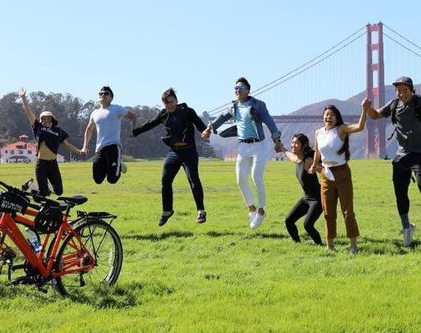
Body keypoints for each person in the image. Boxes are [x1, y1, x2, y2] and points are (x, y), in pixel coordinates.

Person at [366, 76, 421, 247]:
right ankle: (407, 227)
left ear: (411, 90)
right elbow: (376, 115)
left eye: (405, 90)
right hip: (401, 156)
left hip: (419, 153)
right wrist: (367, 108)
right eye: (399, 90)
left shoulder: (419, 102)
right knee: (400, 194)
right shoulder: (394, 105)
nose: (401, 93)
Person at [201, 77, 284, 229]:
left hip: (259, 146)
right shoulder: (234, 107)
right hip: (243, 147)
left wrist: (277, 140)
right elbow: (221, 118)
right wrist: (209, 128)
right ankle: (251, 208)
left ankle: (261, 210)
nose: (237, 90)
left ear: (248, 90)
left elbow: (270, 122)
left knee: (256, 178)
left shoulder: (258, 105)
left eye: (241, 88)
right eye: (235, 88)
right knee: (240, 180)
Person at [132, 88, 208, 226]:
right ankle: (167, 211)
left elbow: (200, 126)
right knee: (165, 180)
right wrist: (135, 132)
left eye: (172, 101)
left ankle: (201, 211)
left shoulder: (187, 111)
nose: (170, 105)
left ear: (176, 101)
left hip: (189, 151)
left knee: (193, 180)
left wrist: (205, 132)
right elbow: (149, 124)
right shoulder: (163, 114)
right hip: (174, 152)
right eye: (166, 103)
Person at [310, 101, 370, 254]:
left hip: (342, 173)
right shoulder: (318, 133)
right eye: (326, 114)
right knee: (328, 212)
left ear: (337, 118)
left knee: (347, 211)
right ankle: (329, 245)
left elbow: (359, 127)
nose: (329, 117)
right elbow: (317, 152)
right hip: (325, 174)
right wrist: (314, 165)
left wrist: (364, 109)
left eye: (332, 115)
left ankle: (354, 246)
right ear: (323, 117)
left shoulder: (341, 130)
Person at [17, 88, 85, 196]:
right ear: (41, 119)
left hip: (53, 164)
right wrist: (23, 97)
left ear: (52, 119)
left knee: (59, 192)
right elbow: (29, 113)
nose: (45, 119)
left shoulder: (58, 131)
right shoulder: (38, 127)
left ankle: (36, 187)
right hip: (41, 164)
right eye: (43, 118)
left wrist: (80, 152)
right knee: (43, 194)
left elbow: (67, 145)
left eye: (48, 118)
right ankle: (32, 186)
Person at [81, 86, 137, 184]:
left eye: (106, 93)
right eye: (101, 93)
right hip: (99, 149)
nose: (103, 95)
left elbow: (133, 116)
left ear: (111, 97)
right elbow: (89, 129)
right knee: (97, 179)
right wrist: (85, 147)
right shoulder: (95, 113)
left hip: (113, 146)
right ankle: (114, 164)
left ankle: (117, 163)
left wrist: (133, 130)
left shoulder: (116, 109)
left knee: (112, 179)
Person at [278, 133, 323, 245]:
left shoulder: (308, 160)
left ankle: (320, 245)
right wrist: (282, 149)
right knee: (289, 221)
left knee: (308, 225)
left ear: (303, 145)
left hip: (318, 199)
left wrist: (316, 168)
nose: (293, 145)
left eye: (296, 143)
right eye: (292, 142)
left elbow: (325, 171)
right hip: (306, 198)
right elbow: (290, 155)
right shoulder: (297, 159)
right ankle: (297, 244)